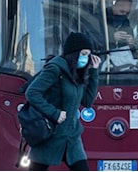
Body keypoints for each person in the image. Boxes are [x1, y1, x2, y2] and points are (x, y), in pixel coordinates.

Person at [25, 32, 101, 171]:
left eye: (88, 55)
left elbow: (88, 101)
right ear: (74, 53)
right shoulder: (55, 69)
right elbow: (32, 92)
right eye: (83, 54)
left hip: (71, 137)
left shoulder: (77, 73)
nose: (86, 58)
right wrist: (54, 113)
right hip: (50, 135)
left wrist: (94, 72)